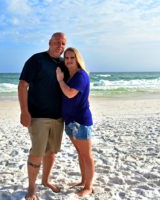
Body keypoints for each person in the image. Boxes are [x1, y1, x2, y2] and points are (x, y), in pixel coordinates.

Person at [18, 32, 67, 200]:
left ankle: (46, 181)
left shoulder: (63, 63)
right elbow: (23, 85)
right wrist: (24, 111)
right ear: (49, 42)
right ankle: (31, 189)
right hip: (38, 116)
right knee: (37, 152)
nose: (59, 47)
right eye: (56, 43)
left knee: (51, 151)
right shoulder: (36, 60)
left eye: (62, 44)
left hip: (58, 118)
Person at [56, 47, 94, 197]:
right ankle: (83, 180)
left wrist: (59, 80)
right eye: (67, 58)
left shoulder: (80, 75)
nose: (69, 60)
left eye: (72, 58)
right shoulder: (70, 76)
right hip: (71, 120)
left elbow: (70, 93)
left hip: (80, 121)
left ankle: (89, 187)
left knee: (87, 155)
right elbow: (86, 96)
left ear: (77, 59)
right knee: (80, 153)